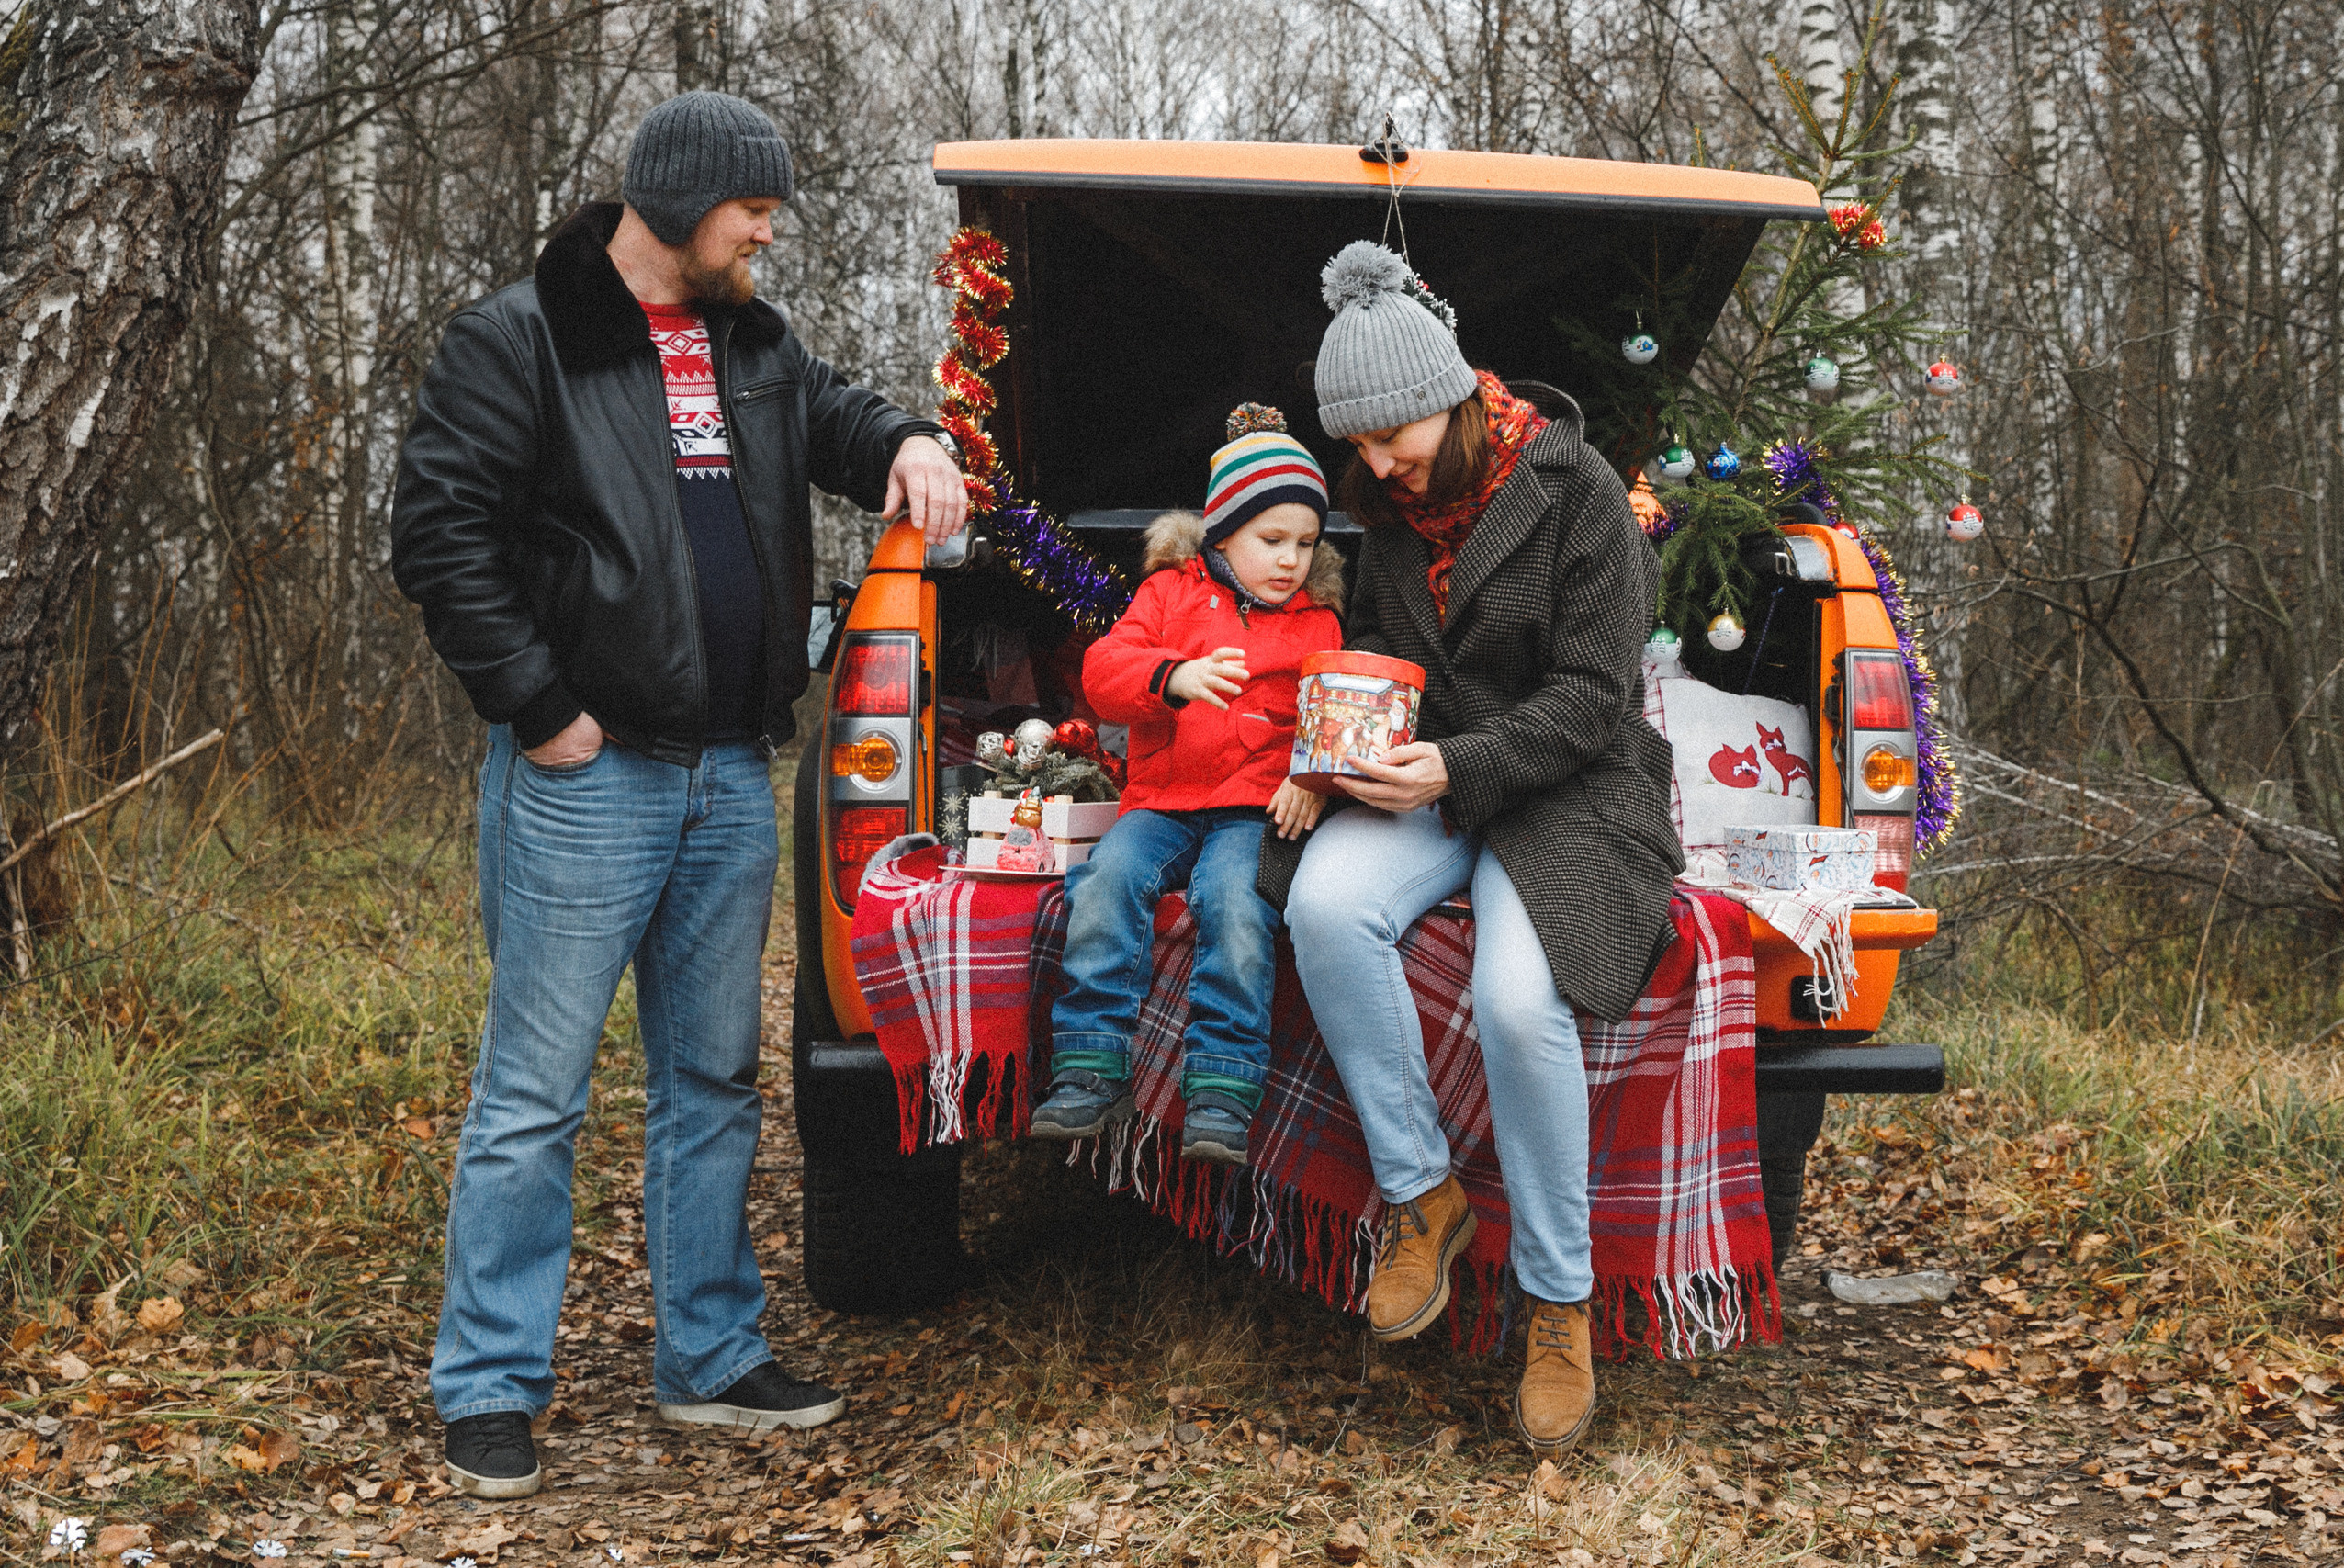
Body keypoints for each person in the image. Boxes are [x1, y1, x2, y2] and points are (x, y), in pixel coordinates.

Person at [389, 90, 966, 1499]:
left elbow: (837, 416)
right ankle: (490, 1385)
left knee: (710, 1081)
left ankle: (710, 1353)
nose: (768, 226)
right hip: (588, 776)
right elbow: (438, 534)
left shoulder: (751, 341)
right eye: (750, 205)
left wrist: (910, 439)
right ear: (676, 203)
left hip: (728, 768)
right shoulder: (521, 336)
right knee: (533, 1094)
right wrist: (545, 709)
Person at [1279, 242, 1683, 1456]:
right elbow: (1381, 664)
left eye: (1393, 435)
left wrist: (1452, 765)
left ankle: (1558, 1305)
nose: (1379, 464)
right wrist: (1342, 740)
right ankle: (1425, 1194)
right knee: (1323, 907)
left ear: (1455, 398)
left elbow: (1595, 698)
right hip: (1430, 777)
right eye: (1360, 444)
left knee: (1518, 999)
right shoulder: (1386, 517)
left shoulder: (1580, 495)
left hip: (1565, 785)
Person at [1031, 406, 1344, 1167]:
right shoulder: (1169, 594)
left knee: (1238, 902)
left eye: (1305, 543)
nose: (1290, 561)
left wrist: (1312, 778)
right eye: (1272, 540)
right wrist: (1173, 677)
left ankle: (1223, 1087)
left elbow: (1336, 715)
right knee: (1106, 879)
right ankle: (1089, 1065)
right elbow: (1105, 673)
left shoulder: (1316, 624)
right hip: (1163, 804)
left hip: (1249, 810)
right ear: (1222, 532)